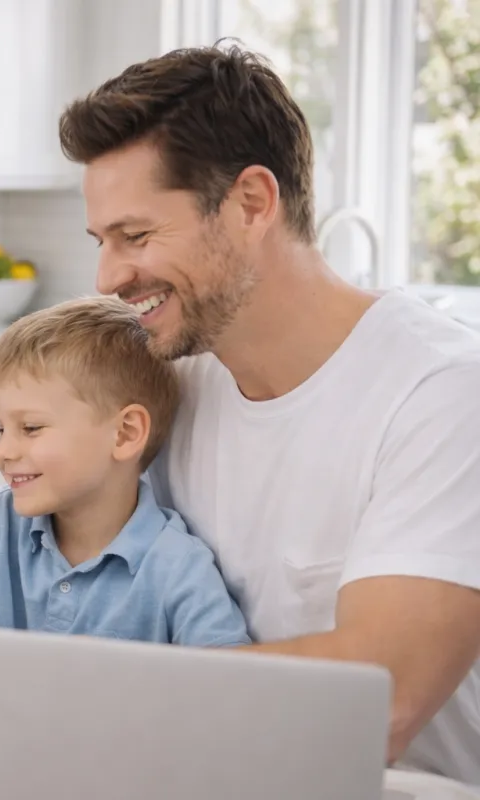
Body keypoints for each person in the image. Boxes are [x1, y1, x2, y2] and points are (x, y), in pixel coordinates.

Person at [53, 43, 480, 783]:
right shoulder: (169, 379)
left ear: (252, 203)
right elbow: (47, 547)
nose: (109, 276)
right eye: (102, 241)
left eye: (138, 235)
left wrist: (98, 692)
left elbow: (381, 701)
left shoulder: (442, 392)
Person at [0, 296, 251, 736]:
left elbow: (231, 687)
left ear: (125, 434)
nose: (4, 450)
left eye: (30, 428)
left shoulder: (176, 564)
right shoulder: (1, 521)